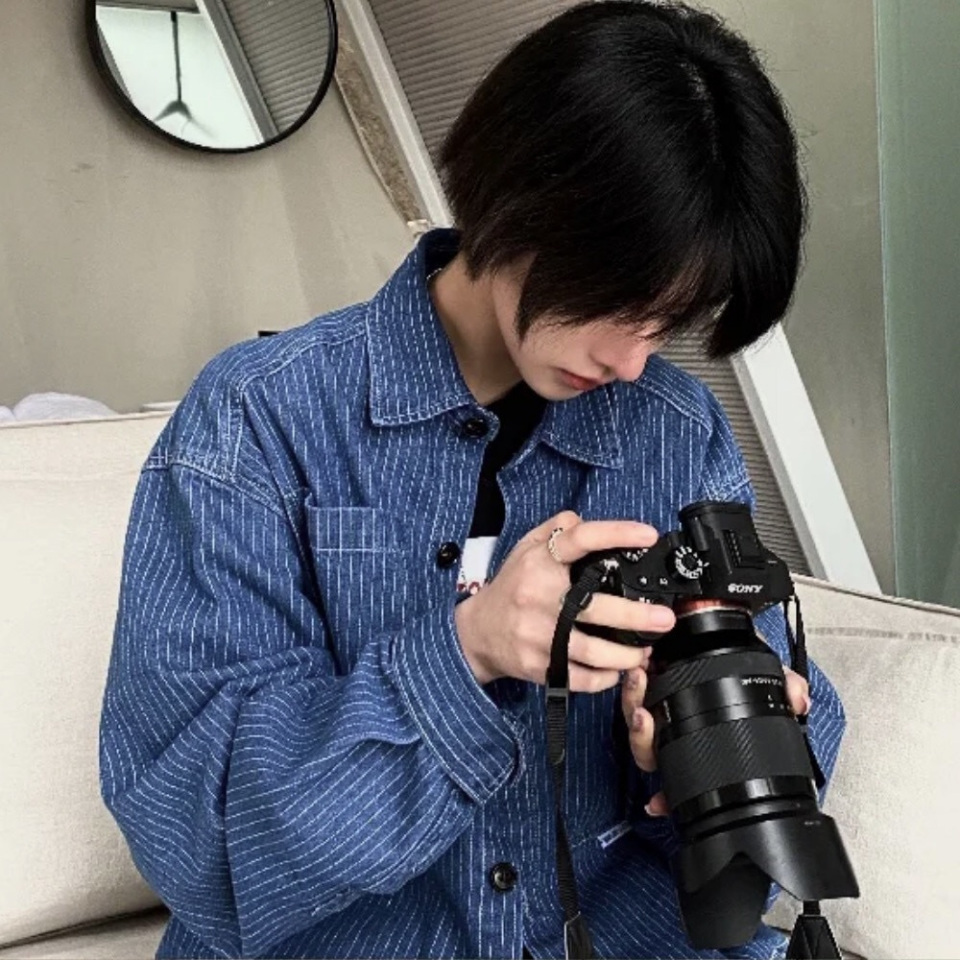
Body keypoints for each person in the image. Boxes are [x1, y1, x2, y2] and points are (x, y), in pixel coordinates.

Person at [100, 3, 845, 958]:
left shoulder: (677, 430)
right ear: (523, 197)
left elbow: (747, 842)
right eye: (619, 300)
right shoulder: (260, 419)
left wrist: (689, 756)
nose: (631, 360)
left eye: (669, 323)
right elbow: (197, 841)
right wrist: (467, 655)